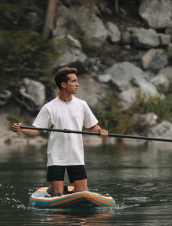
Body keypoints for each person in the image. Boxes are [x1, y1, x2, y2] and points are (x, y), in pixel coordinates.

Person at [12, 67, 108, 196]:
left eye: (77, 81)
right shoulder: (49, 107)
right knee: (58, 193)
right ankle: (52, 188)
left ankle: (65, 190)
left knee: (82, 192)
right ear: (63, 84)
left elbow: (92, 126)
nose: (77, 84)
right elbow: (36, 131)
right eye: (73, 81)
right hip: (57, 157)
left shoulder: (82, 105)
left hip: (76, 156)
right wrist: (22, 129)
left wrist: (101, 130)